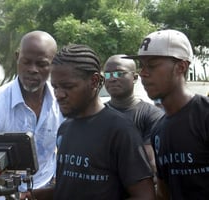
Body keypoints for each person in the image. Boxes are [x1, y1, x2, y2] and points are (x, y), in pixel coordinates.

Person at [32, 44, 155, 199]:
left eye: (68, 86)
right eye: (55, 87)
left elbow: (145, 196)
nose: (59, 94)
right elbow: (69, 187)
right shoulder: (65, 128)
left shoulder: (120, 131)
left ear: (94, 81)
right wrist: (33, 195)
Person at [0, 30, 64, 199]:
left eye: (41, 64)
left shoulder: (62, 102)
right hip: (5, 194)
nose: (32, 69)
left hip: (46, 191)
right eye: (26, 62)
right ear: (17, 57)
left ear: (53, 64)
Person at [124, 29, 209, 199]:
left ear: (181, 67)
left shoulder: (204, 114)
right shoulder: (158, 130)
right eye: (142, 65)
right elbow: (164, 191)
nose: (143, 73)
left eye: (152, 66)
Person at [103, 54, 165, 177]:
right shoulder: (96, 115)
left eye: (119, 73)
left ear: (135, 77)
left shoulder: (152, 115)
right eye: (107, 75)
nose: (112, 79)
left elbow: (149, 163)